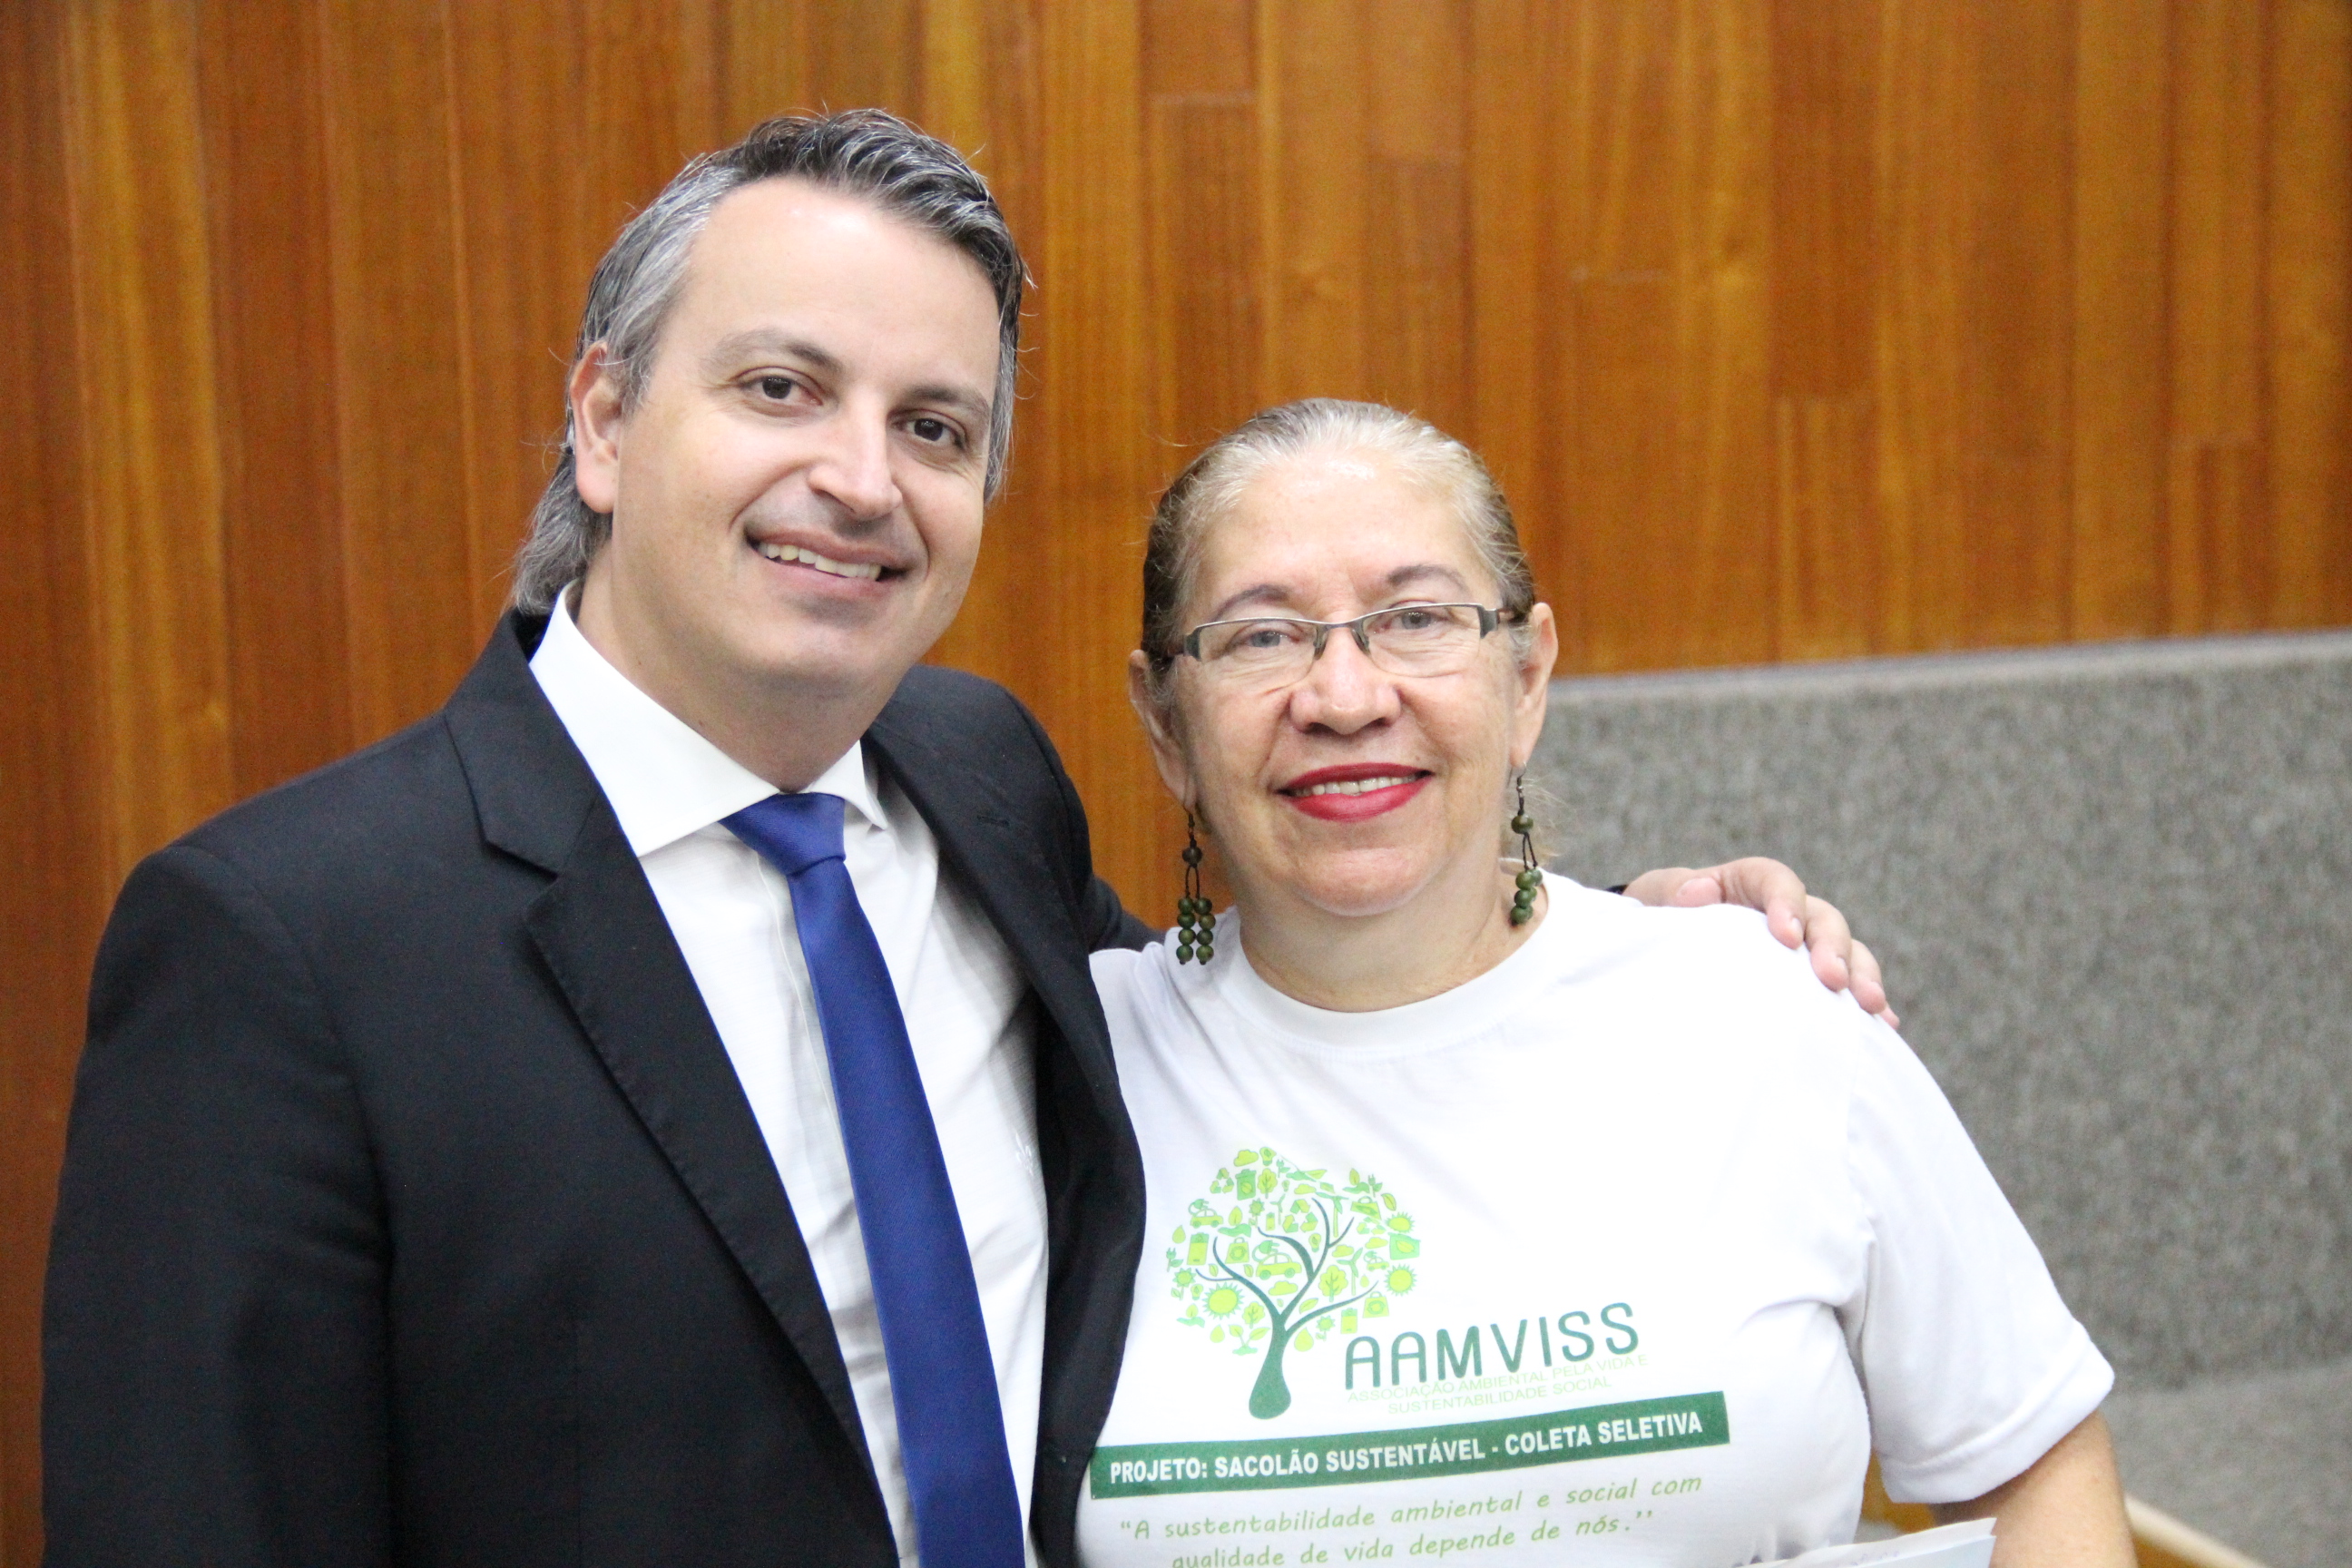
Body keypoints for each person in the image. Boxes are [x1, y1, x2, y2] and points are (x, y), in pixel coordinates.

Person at [44, 114, 1882, 1567]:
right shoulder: (283, 947)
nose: (861, 478)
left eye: (933, 425)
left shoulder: (978, 778)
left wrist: (1598, 941)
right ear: (603, 419)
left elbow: (1257, 1019)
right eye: (780, 388)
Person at [1080, 399, 2135, 1566]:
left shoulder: (1763, 1013)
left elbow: (2035, 1467)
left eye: (1417, 619)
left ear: (1526, 677)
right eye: (1262, 637)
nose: (1345, 696)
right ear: (1166, 722)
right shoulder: (1068, 1077)